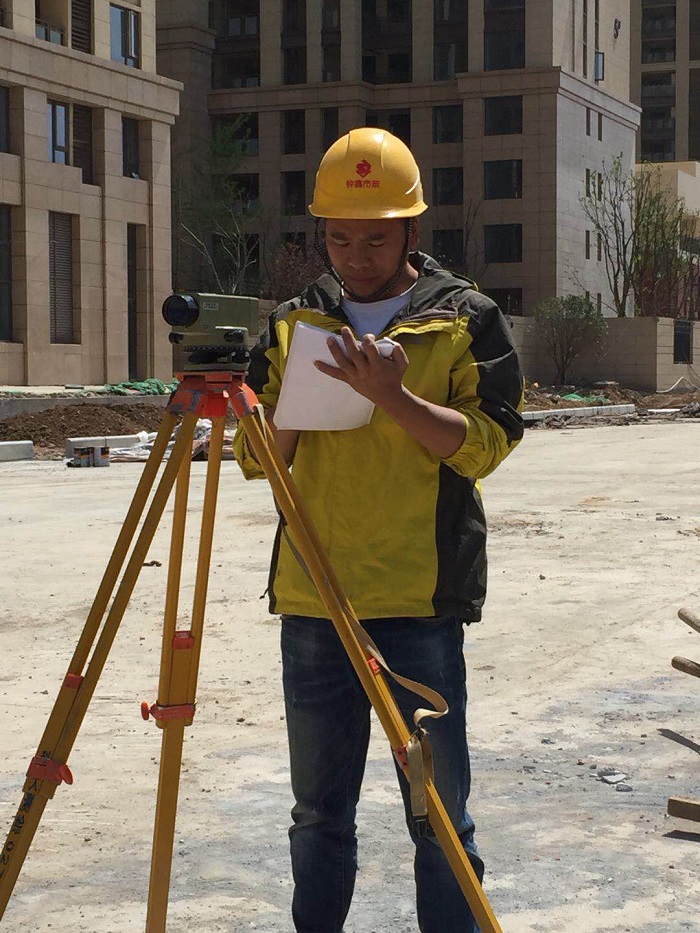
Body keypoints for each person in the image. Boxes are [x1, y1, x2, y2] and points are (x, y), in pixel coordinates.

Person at [233, 127, 523, 933]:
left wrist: (392, 396)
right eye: (338, 238)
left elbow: (485, 444)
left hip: (417, 603)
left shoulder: (466, 318)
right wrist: (293, 405)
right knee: (317, 815)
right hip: (315, 601)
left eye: (374, 238)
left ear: (410, 231)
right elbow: (257, 461)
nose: (355, 256)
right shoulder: (293, 322)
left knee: (439, 815)